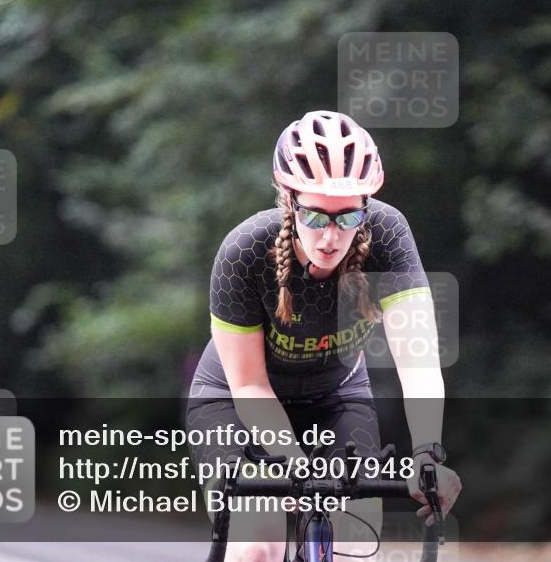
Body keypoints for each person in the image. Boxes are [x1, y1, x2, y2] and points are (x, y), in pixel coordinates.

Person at [187, 110, 461, 562]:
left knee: (355, 539)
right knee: (259, 545)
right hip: (235, 400)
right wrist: (293, 465)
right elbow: (249, 384)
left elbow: (419, 363)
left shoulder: (390, 236)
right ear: (290, 202)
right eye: (315, 218)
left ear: (366, 210)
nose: (331, 237)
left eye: (347, 217)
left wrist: (428, 454)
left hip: (335, 395)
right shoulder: (244, 253)